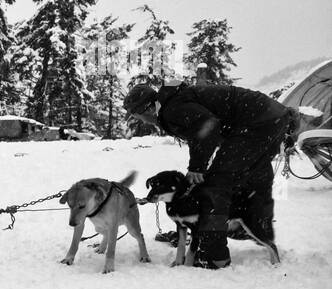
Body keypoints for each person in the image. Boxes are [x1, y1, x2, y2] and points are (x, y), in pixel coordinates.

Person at [124, 81, 296, 269]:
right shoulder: (173, 102)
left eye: (137, 115)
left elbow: (208, 125)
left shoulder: (171, 109)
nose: (141, 120)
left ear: (146, 108)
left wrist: (197, 166)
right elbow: (205, 129)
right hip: (272, 117)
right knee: (253, 175)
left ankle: (213, 255)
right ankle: (252, 229)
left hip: (255, 123)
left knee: (215, 185)